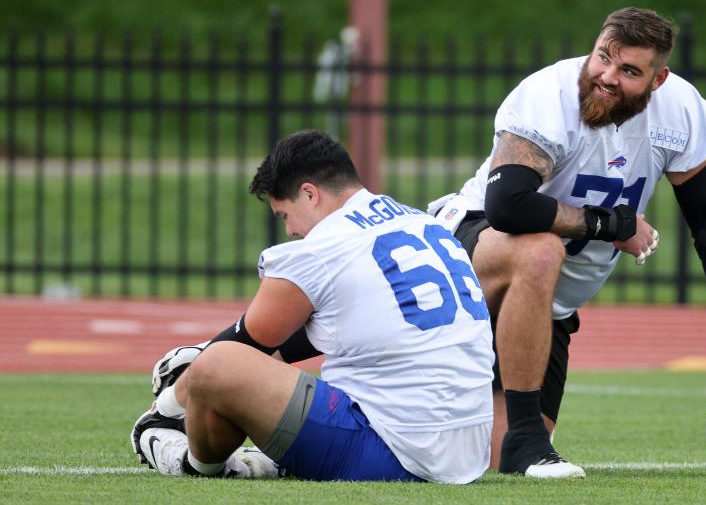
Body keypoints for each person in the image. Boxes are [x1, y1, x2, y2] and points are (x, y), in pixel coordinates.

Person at [429, 7, 706, 479]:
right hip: (474, 254)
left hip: (546, 309)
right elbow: (508, 207)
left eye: (630, 70)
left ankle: (521, 442)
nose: (608, 77)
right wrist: (613, 225)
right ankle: (529, 444)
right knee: (540, 248)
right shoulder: (548, 95)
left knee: (485, 464)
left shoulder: (680, 110)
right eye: (603, 58)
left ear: (658, 80)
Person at [131, 130, 495, 484]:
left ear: (309, 194)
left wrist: (169, 404)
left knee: (216, 366)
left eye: (283, 215)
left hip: (396, 449)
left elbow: (247, 344)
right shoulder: (418, 221)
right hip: (468, 449)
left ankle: (191, 463)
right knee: (237, 360)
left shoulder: (325, 247)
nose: (289, 230)